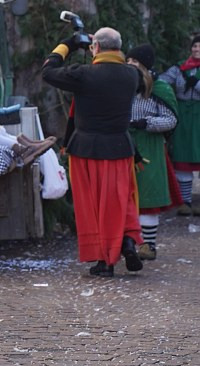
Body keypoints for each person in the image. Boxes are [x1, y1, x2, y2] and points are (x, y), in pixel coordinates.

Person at [43, 27, 143, 277]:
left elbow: (48, 71)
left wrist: (68, 44)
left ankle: (104, 260)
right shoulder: (132, 74)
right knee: (121, 200)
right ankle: (128, 241)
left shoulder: (83, 74)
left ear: (95, 48)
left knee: (93, 206)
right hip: (121, 148)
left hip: (86, 150)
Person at [126, 45, 179, 260]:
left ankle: (148, 245)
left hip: (149, 146)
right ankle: (129, 243)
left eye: (134, 62)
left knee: (147, 197)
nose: (130, 65)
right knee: (127, 195)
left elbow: (171, 120)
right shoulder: (122, 85)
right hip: (124, 143)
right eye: (127, 61)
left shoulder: (159, 88)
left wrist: (145, 123)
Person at [161, 33, 200, 215]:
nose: (196, 50)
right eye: (194, 46)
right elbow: (162, 82)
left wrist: (198, 84)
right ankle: (185, 202)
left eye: (199, 47)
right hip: (183, 117)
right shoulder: (179, 68)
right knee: (183, 157)